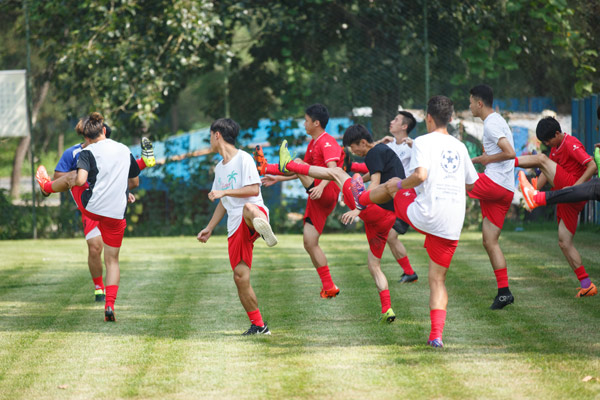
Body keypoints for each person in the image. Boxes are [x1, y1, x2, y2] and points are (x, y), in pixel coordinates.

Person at [351, 95, 479, 347]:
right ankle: (436, 336)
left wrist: (400, 183)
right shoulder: (461, 147)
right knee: (437, 280)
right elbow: (472, 185)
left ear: (428, 118)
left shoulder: (422, 141)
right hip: (452, 223)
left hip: (422, 214)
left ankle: (361, 197)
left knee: (391, 186)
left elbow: (420, 175)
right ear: (451, 119)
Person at [278, 124, 415, 323]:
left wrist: (359, 208)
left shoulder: (374, 152)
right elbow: (372, 177)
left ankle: (290, 165)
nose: (352, 152)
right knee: (374, 265)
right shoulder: (383, 152)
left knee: (336, 173)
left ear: (363, 143)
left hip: (373, 209)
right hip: (387, 218)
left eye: (353, 147)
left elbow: (375, 186)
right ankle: (387, 309)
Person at [35, 112, 141, 321]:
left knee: (73, 176)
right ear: (103, 130)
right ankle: (109, 305)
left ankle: (46, 187)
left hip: (91, 208)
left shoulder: (86, 152)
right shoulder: (124, 149)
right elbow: (135, 182)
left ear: (85, 136)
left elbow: (81, 177)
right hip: (116, 213)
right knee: (112, 261)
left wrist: (75, 180)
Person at [48, 122, 155, 302]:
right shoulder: (74, 153)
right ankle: (99, 288)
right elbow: (61, 178)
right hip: (91, 203)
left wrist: (122, 192)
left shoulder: (110, 151)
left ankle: (107, 297)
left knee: (110, 254)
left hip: (103, 203)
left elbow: (128, 180)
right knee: (95, 247)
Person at [197, 118, 278, 335]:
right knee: (240, 277)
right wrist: (210, 227)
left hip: (252, 214)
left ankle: (263, 229)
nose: (210, 141)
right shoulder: (219, 168)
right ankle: (260, 326)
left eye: (210, 136)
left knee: (248, 209)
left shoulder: (244, 159)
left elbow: (253, 189)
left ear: (217, 135)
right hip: (235, 225)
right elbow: (223, 204)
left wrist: (224, 192)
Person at [259, 104, 343, 299]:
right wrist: (278, 178)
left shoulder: (327, 142)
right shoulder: (312, 143)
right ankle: (329, 286)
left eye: (306, 120)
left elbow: (334, 170)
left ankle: (266, 166)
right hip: (315, 193)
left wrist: (321, 187)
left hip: (325, 190)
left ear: (316, 122)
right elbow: (301, 171)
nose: (304, 123)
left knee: (299, 163)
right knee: (309, 243)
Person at [516, 117, 597, 298]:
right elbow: (546, 172)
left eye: (548, 140)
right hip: (567, 197)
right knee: (564, 242)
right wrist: (532, 191)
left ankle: (508, 160)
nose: (546, 143)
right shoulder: (555, 148)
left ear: (558, 133)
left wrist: (576, 188)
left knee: (541, 158)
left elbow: (591, 166)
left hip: (573, 190)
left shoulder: (571, 143)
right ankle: (587, 285)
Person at [467, 84, 517, 309]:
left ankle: (409, 216)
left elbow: (510, 153)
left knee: (453, 184)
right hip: (504, 188)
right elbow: (497, 154)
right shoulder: (496, 121)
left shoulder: (491, 124)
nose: (468, 106)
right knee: (489, 241)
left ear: (479, 103)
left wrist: (487, 160)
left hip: (495, 184)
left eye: (470, 102)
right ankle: (504, 292)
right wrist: (479, 160)